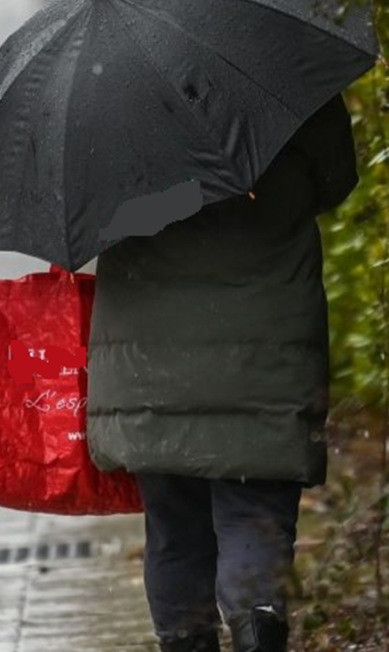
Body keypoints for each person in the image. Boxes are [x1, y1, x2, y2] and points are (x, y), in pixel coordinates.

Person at [85, 93, 361, 652]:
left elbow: (85, 218)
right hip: (265, 349)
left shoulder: (106, 107)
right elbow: (335, 181)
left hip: (148, 361)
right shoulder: (282, 79)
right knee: (255, 512)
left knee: (174, 531)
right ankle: (260, 634)